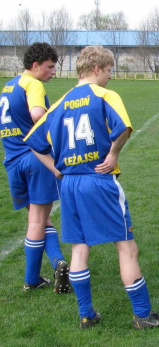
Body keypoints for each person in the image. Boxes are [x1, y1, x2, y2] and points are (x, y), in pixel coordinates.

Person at [24, 45, 159, 329]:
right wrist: (114, 154)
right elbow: (124, 128)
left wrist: (56, 169)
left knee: (79, 248)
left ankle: (86, 314)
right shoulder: (105, 95)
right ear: (96, 69)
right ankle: (142, 315)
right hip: (99, 180)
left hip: (69, 184)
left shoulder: (59, 103)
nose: (110, 77)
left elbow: (33, 142)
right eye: (108, 71)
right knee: (127, 247)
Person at [0, 42, 71, 293]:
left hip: (12, 160)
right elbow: (38, 114)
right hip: (34, 159)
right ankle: (33, 277)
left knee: (40, 218)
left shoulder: (9, 86)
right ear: (35, 65)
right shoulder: (33, 84)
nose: (53, 72)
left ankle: (56, 263)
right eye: (50, 67)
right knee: (37, 219)